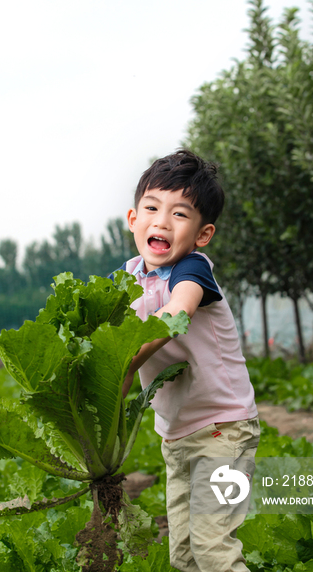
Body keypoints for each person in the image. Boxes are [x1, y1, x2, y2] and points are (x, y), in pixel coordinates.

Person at [116, 149, 259, 572]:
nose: (161, 222)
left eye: (180, 214)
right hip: (175, 436)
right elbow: (98, 342)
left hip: (222, 429)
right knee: (184, 556)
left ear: (202, 234)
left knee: (213, 549)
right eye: (152, 208)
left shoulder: (192, 270)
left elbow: (178, 313)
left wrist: (125, 363)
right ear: (133, 219)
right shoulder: (126, 279)